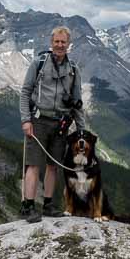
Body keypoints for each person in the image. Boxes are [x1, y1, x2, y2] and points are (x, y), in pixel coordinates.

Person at [19, 26, 86, 223]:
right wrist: (26, 119)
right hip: (38, 120)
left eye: (63, 42)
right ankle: (28, 206)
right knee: (32, 164)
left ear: (68, 44)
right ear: (51, 43)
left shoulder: (73, 70)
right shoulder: (38, 63)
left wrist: (81, 131)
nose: (59, 45)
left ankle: (48, 204)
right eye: (56, 41)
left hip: (61, 124)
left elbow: (77, 101)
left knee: (53, 166)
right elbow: (25, 92)